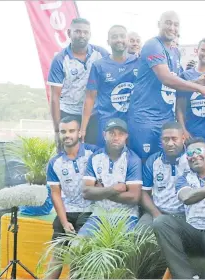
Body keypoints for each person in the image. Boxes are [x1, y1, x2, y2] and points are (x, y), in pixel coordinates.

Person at [127, 11, 205, 160]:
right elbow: (167, 79)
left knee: (165, 164)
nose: (172, 28)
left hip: (167, 119)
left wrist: (204, 86)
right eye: (168, 23)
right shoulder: (153, 45)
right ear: (197, 51)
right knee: (146, 162)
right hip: (146, 118)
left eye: (176, 24)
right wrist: (200, 87)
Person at [158, 137, 205, 278]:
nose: (194, 156)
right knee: (161, 222)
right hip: (192, 231)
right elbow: (186, 197)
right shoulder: (183, 178)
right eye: (189, 154)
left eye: (198, 151)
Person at [45, 116, 98, 279]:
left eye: (71, 131)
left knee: (78, 254)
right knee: (58, 255)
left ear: (80, 133)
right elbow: (55, 193)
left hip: (90, 212)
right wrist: (64, 221)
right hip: (67, 213)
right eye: (63, 131)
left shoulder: (94, 153)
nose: (67, 135)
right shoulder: (54, 162)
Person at [47, 18, 109, 147]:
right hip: (68, 113)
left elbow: (117, 63)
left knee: (93, 153)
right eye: (78, 31)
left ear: (90, 34)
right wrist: (57, 130)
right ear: (69, 33)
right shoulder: (60, 59)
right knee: (68, 154)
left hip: (93, 114)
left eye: (86, 32)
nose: (82, 35)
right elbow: (54, 98)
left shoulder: (101, 53)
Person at [81, 118, 142, 235]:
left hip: (126, 215)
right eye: (112, 133)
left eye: (120, 134)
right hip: (99, 215)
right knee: (77, 246)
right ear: (104, 135)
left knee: (127, 250)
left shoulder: (133, 159)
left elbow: (134, 197)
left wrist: (101, 191)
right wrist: (114, 189)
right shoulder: (95, 158)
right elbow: (86, 193)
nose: (116, 137)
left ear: (126, 136)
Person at [82, 25, 138, 148]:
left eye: (122, 36)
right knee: (106, 160)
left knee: (132, 158)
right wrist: (83, 129)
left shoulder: (139, 62)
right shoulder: (99, 66)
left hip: (133, 122)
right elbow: (90, 98)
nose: (119, 40)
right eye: (114, 37)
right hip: (107, 122)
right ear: (108, 42)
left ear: (127, 40)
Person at [138, 122, 189, 228]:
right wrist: (157, 215)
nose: (170, 143)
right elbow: (144, 193)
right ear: (161, 141)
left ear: (183, 138)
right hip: (158, 211)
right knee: (139, 234)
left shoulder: (192, 158)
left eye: (174, 139)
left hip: (185, 214)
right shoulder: (153, 160)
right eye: (166, 139)